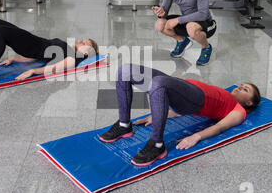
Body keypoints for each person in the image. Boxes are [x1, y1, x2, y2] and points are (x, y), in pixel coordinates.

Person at [99, 64, 261, 167]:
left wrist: (195, 137)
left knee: (158, 83)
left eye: (245, 89)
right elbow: (179, 107)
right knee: (124, 70)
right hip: (180, 86)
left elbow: (219, 127)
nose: (239, 88)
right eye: (241, 85)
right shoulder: (226, 94)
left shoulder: (239, 110)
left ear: (249, 103)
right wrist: (158, 114)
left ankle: (157, 144)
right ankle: (124, 125)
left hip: (196, 98)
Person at [0, 16, 99, 87]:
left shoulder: (72, 58)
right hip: (31, 40)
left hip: (30, 44)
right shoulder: (66, 48)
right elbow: (40, 57)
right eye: (84, 39)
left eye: (85, 43)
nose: (81, 41)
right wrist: (14, 59)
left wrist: (32, 72)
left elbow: (53, 68)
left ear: (86, 53)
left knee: (0, 31)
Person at [153, 0, 216, 66]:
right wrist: (161, 13)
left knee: (191, 28)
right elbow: (165, 11)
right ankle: (182, 41)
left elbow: (203, 14)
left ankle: (206, 47)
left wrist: (178, 20)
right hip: (187, 21)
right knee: (160, 24)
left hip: (206, 23)